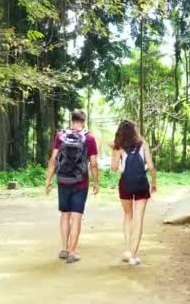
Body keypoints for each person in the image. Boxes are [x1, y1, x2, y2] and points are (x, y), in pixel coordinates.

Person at [45, 109, 99, 264]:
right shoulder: (89, 138)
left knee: (64, 215)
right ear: (84, 121)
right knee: (76, 217)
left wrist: (48, 180)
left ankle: (64, 248)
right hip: (80, 182)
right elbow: (93, 163)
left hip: (63, 181)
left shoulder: (60, 136)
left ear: (72, 120)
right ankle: (73, 252)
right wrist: (96, 183)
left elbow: (53, 159)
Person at [110, 120, 157, 266]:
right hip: (142, 183)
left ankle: (127, 249)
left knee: (128, 216)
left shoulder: (119, 146)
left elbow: (113, 167)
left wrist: (122, 168)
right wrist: (154, 182)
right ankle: (134, 256)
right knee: (139, 218)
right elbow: (150, 166)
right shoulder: (143, 143)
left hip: (125, 184)